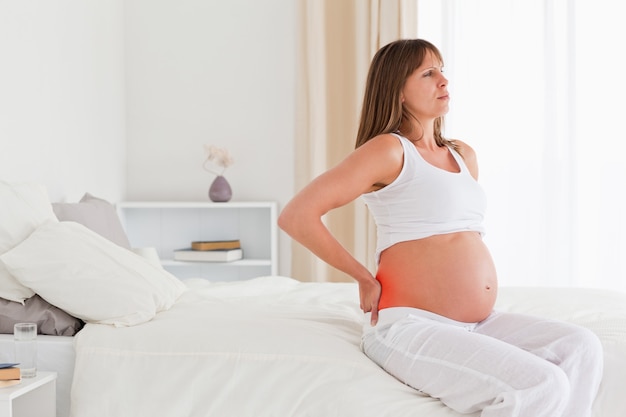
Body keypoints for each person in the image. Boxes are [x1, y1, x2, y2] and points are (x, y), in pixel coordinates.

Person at [278, 38, 603, 417]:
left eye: (442, 70)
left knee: (582, 347)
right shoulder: (388, 150)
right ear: (397, 90)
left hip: (478, 324)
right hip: (410, 328)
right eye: (428, 74)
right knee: (540, 385)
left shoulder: (463, 154)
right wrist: (363, 278)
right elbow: (297, 215)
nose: (443, 81)